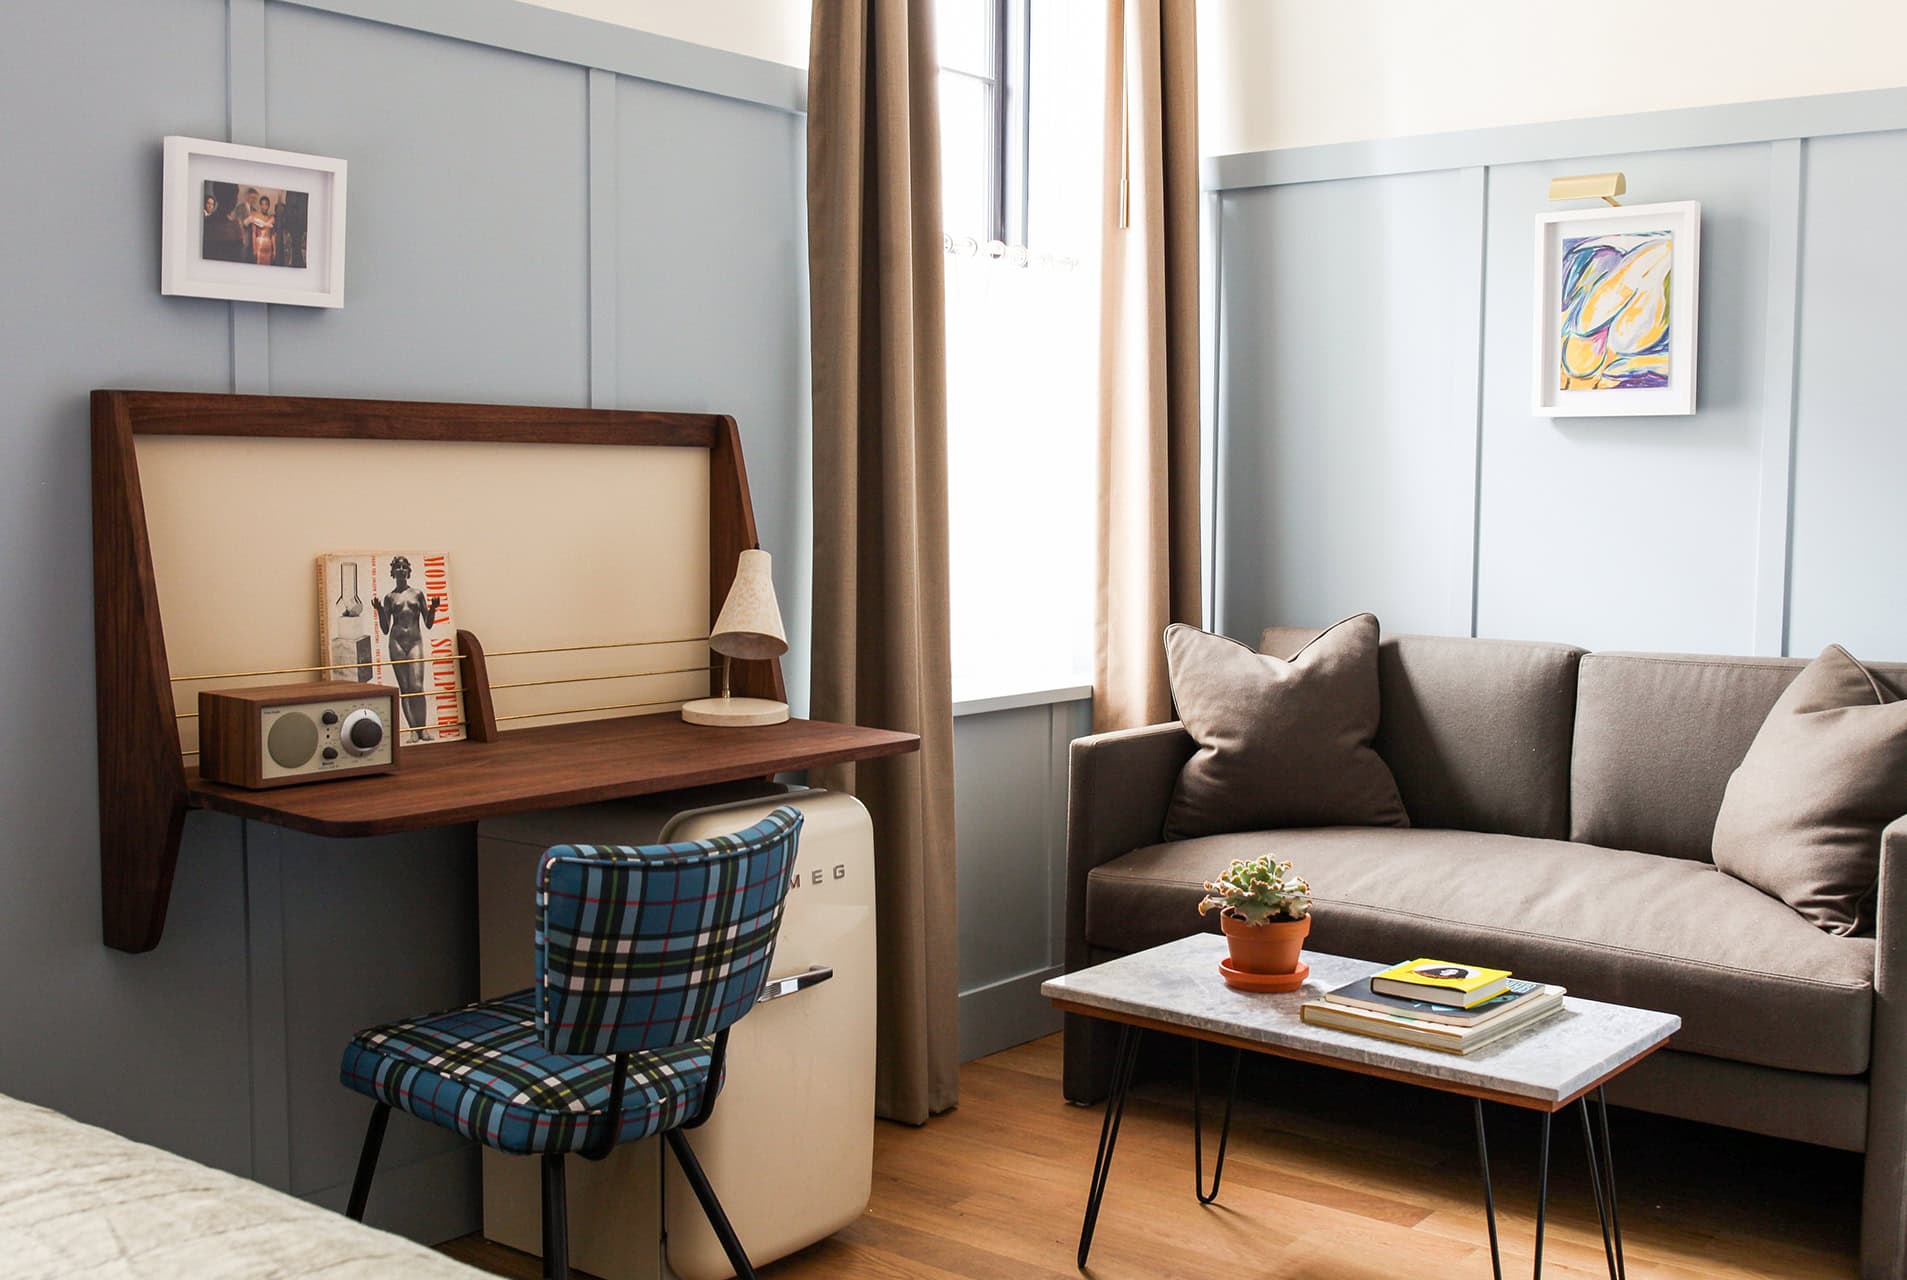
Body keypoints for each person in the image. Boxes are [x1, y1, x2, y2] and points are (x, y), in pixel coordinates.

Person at [372, 556, 442, 742]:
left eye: (404, 567)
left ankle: (423, 729)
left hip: (414, 643)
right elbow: (386, 629)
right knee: (405, 689)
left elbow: (427, 623)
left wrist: (433, 608)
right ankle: (413, 730)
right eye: (397, 567)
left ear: (408, 571)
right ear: (393, 572)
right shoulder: (389, 597)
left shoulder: (417, 594)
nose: (401, 569)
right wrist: (380, 610)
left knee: (417, 686)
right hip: (396, 643)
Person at [199, 188, 246, 262]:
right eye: (235, 196)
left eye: (212, 204)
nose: (236, 200)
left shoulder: (207, 221)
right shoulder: (234, 225)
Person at [244, 194, 277, 266]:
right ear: (260, 205)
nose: (264, 207)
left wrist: (274, 250)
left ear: (268, 206)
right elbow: (253, 233)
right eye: (262, 204)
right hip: (259, 244)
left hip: (268, 245)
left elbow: (273, 235)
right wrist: (254, 249)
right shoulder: (255, 216)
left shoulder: (271, 218)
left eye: (266, 204)